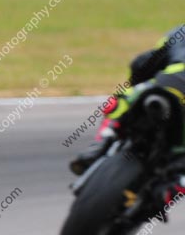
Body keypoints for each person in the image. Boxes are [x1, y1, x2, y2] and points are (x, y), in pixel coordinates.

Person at [69, 24, 185, 210]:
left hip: (163, 86)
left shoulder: (179, 33)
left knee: (128, 96)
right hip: (167, 93)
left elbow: (141, 63)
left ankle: (99, 143)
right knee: (130, 97)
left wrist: (138, 79)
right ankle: (169, 192)